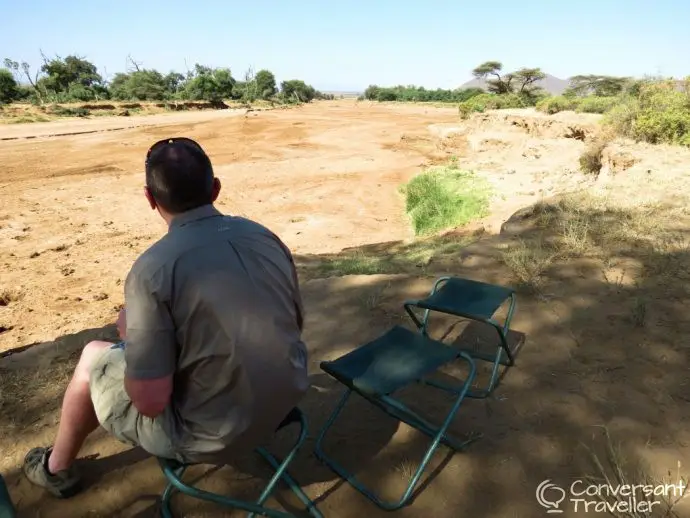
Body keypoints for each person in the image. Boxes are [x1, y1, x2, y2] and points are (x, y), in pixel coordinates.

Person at [23, 137, 309, 498]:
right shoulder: (265, 237)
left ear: (149, 198)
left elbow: (150, 402)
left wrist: (132, 341)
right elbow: (292, 323)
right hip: (284, 404)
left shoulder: (152, 270)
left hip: (212, 434)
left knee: (93, 354)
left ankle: (56, 469)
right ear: (216, 189)